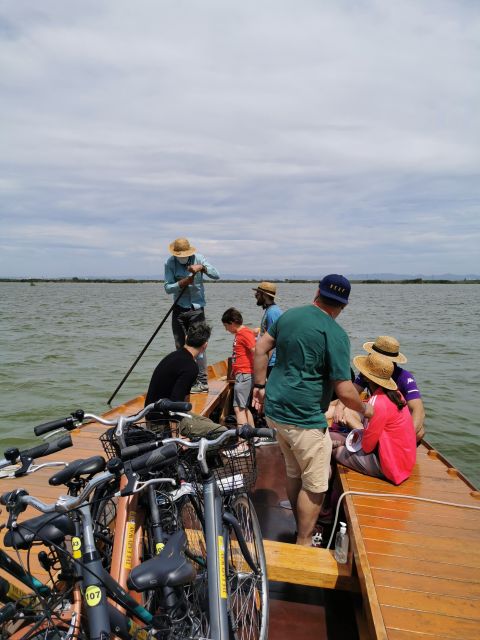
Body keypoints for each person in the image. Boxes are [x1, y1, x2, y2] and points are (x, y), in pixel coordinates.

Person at [253, 274, 373, 547]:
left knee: (295, 471)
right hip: (304, 419)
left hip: (275, 412)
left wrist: (259, 386)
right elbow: (344, 391)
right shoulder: (336, 334)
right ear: (343, 305)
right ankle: (305, 540)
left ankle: (299, 525)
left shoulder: (289, 316)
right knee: (317, 484)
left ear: (316, 292)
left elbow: (260, 348)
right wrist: (367, 410)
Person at [331, 352, 417, 485]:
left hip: (389, 467)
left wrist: (345, 444)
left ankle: (329, 498)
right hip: (403, 464)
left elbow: (367, 446)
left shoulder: (377, 402)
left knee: (334, 451)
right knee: (333, 438)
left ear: (368, 378)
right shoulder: (397, 395)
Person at [332, 335, 425, 442]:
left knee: (420, 431)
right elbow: (351, 393)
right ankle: (372, 440)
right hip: (376, 415)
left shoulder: (405, 377)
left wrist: (405, 436)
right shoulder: (368, 372)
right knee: (347, 411)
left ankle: (378, 442)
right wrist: (339, 408)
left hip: (395, 422)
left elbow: (418, 410)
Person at [144, 322, 225, 438]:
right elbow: (174, 405)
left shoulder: (174, 356)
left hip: (154, 414)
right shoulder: (190, 367)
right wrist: (177, 439)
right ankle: (193, 453)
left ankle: (197, 449)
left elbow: (184, 399)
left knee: (209, 423)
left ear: (186, 338)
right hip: (161, 422)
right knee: (222, 432)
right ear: (205, 345)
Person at [164, 237, 220, 393]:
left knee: (198, 346)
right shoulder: (169, 263)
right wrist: (181, 283)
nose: (181, 258)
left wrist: (201, 268)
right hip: (179, 308)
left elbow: (217, 275)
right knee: (180, 347)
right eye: (178, 255)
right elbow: (167, 288)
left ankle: (202, 382)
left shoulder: (199, 258)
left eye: (183, 255)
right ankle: (185, 380)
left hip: (197, 308)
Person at [222, 307, 256, 427]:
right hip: (241, 373)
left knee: (238, 409)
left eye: (226, 326)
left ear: (232, 323)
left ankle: (243, 442)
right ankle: (253, 436)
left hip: (244, 374)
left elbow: (255, 351)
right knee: (244, 408)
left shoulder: (245, 333)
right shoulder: (240, 333)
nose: (226, 329)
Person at [253, 281, 283, 377]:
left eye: (258, 293)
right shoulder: (270, 310)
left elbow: (272, 341)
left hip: (272, 363)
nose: (255, 295)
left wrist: (263, 365)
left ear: (264, 295)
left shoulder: (272, 312)